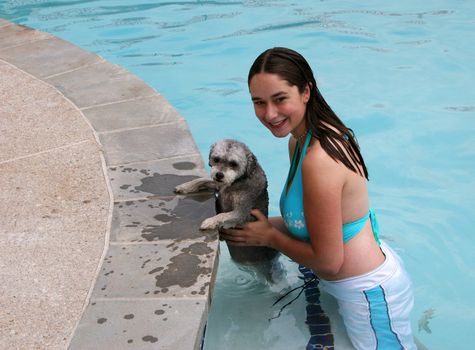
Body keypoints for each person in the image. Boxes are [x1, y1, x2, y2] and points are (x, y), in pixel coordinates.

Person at [220, 47, 416, 349]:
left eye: (280, 99)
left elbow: (328, 262)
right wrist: (250, 229)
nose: (269, 114)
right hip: (352, 282)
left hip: (368, 292)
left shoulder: (320, 159)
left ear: (306, 91)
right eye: (259, 103)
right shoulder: (299, 140)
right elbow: (309, 222)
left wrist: (271, 237)